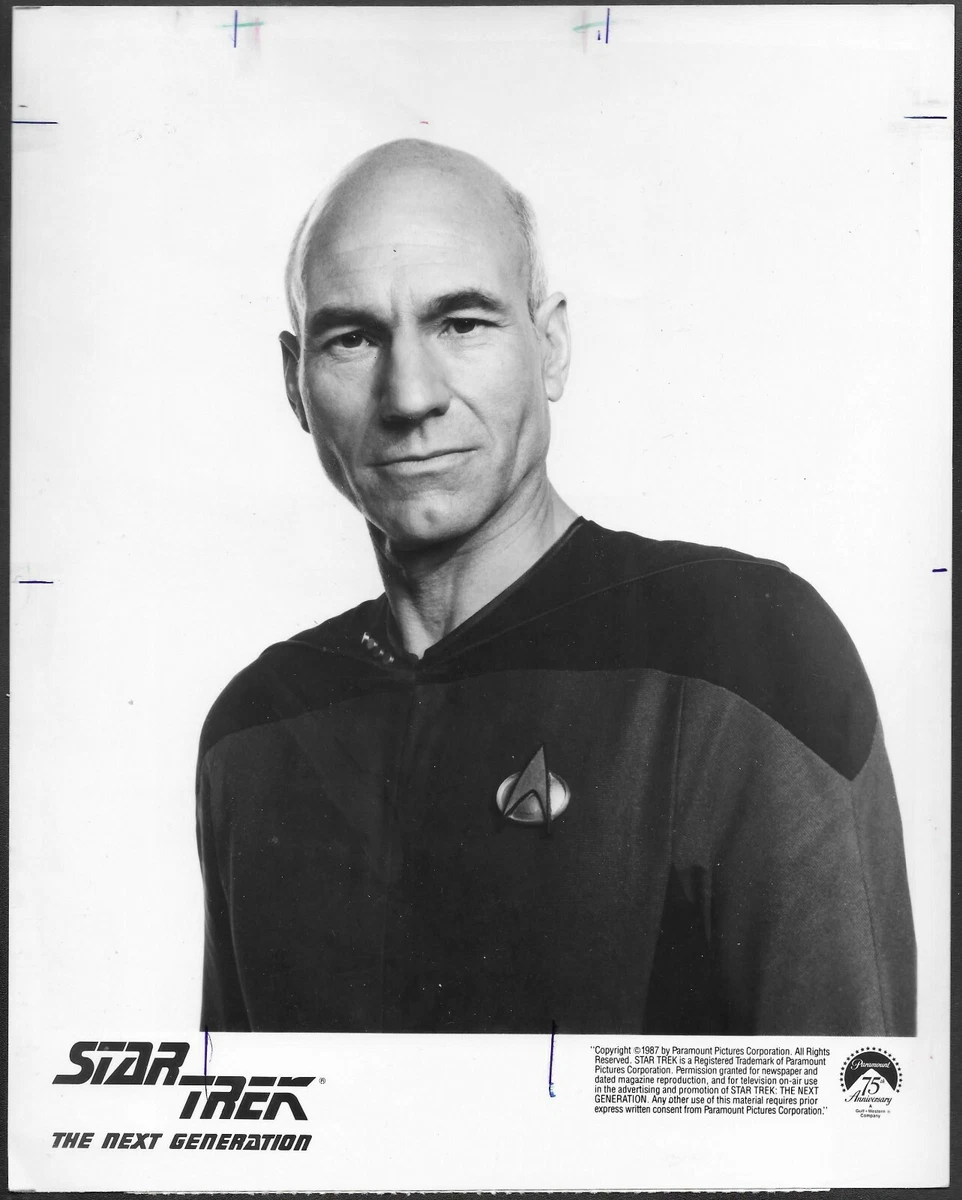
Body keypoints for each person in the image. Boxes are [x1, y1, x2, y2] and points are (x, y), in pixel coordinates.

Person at [196, 139, 915, 1035]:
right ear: (294, 384)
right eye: (353, 338)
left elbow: (851, 1104)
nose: (411, 395)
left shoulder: (746, 650)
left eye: (463, 323)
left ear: (552, 347)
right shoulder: (254, 728)